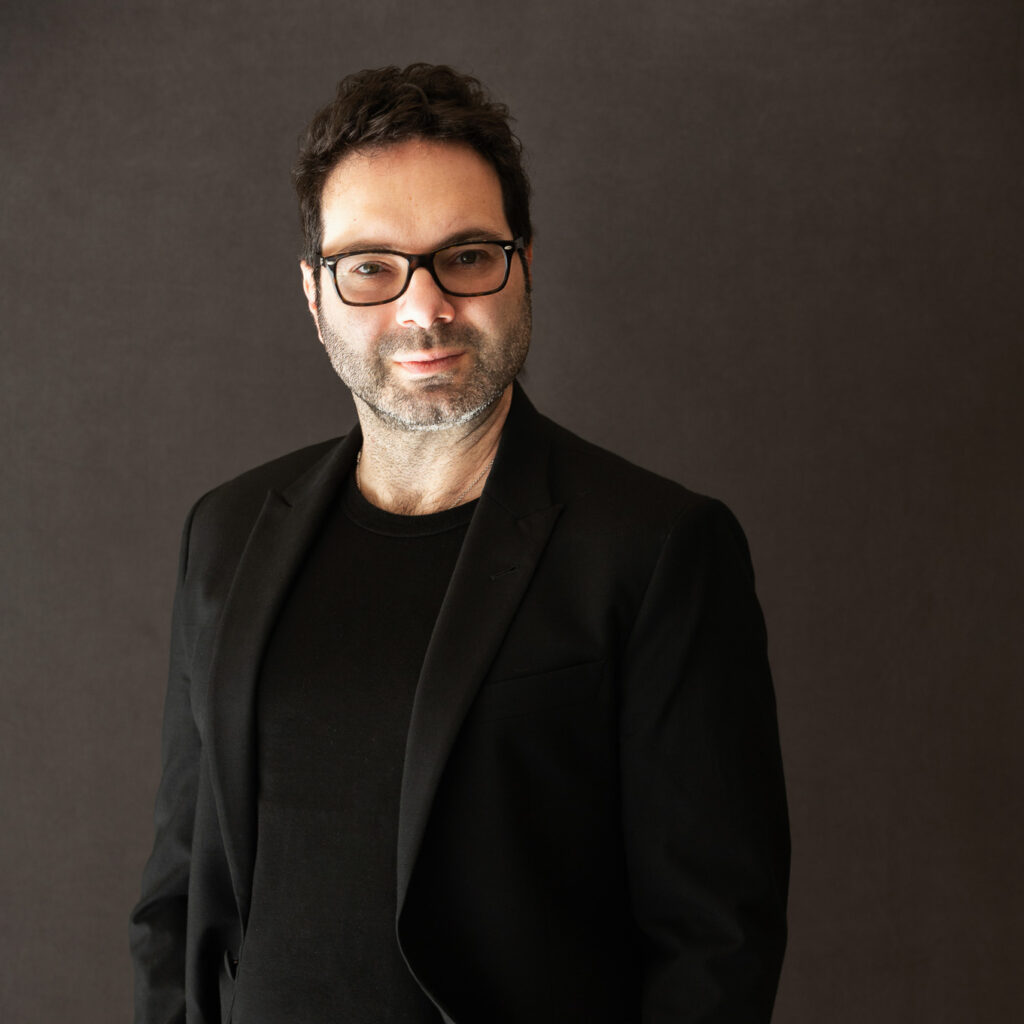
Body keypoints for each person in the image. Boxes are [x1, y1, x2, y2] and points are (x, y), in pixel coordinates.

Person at [130, 63, 790, 1024]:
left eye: (468, 256)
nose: (423, 308)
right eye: (371, 267)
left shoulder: (657, 549)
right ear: (314, 293)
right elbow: (179, 892)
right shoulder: (226, 532)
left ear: (524, 263)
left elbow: (715, 943)